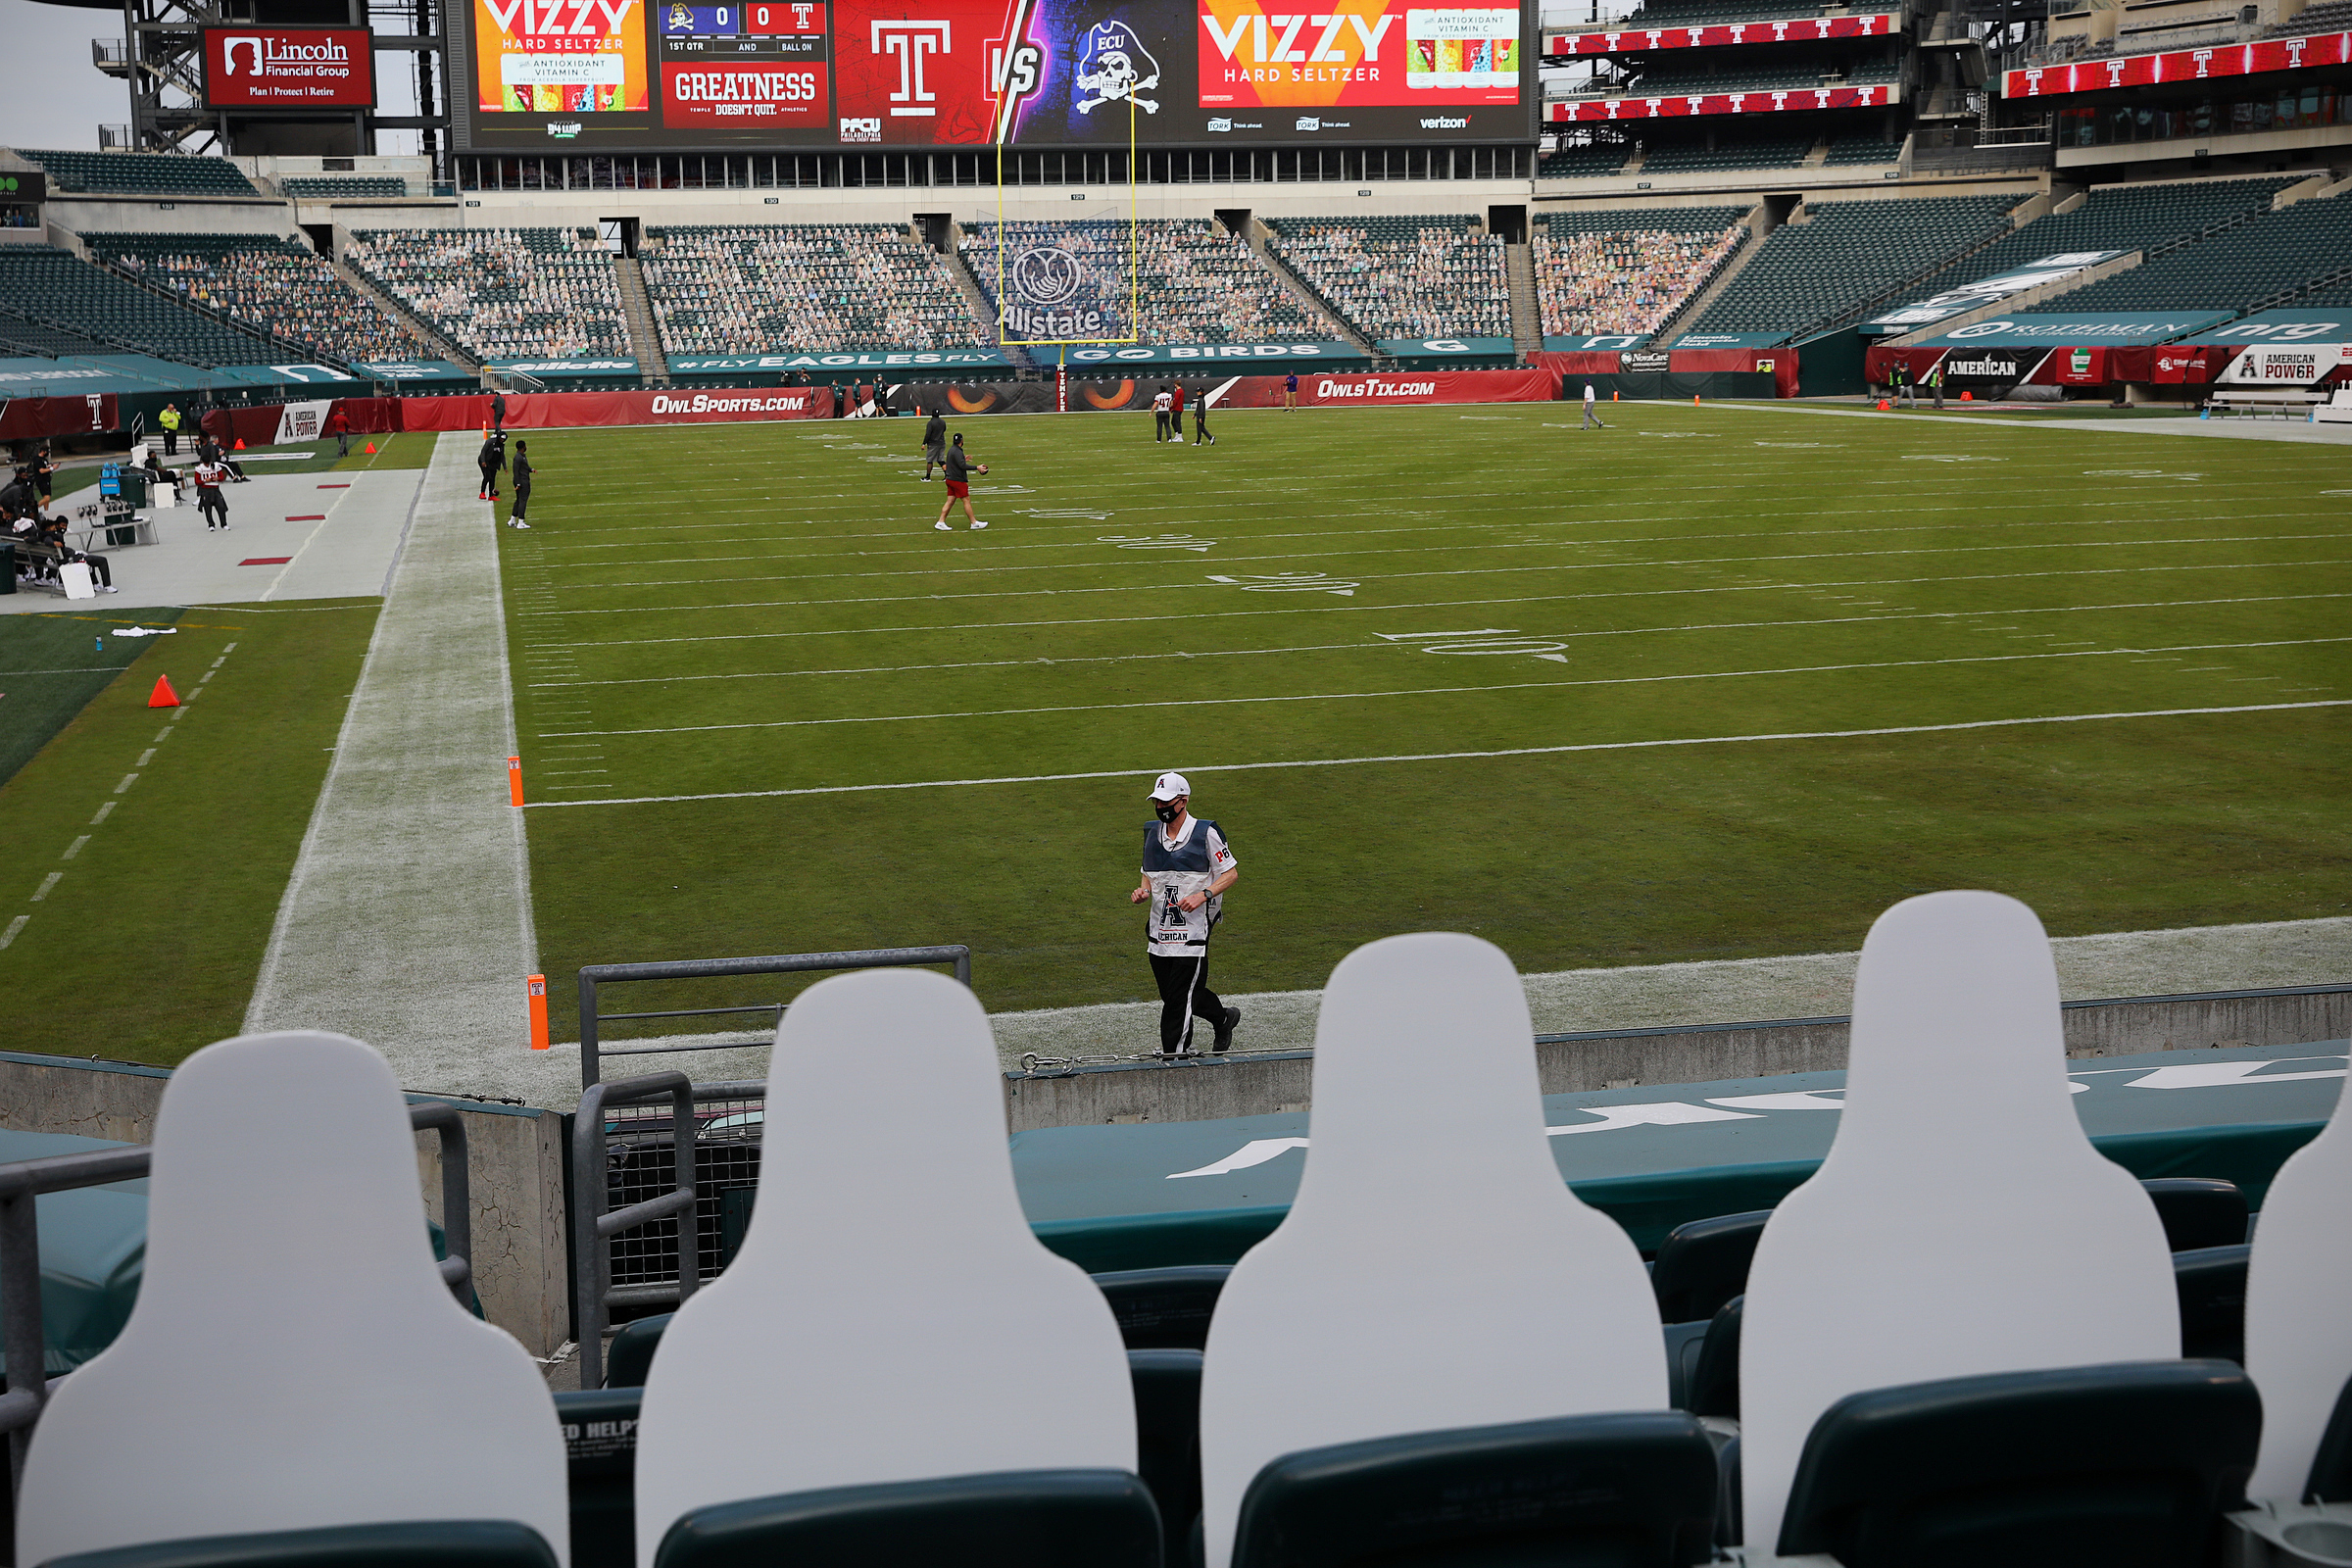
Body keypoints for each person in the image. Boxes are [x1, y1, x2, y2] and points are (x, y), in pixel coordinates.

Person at [1128, 771, 1241, 1057]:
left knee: (1178, 1000)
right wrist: (1142, 893)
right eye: (1157, 802)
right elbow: (1148, 876)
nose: (1161, 808)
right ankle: (1223, 1018)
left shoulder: (1206, 834)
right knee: (1177, 995)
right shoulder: (1151, 834)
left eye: (1167, 802)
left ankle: (1174, 1055)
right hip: (1159, 930)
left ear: (1183, 801)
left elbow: (1230, 874)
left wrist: (1204, 895)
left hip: (1193, 931)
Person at [932, 433, 989, 531]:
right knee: (966, 500)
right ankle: (974, 523)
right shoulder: (957, 451)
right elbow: (962, 466)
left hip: (950, 479)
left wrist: (963, 459)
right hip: (957, 480)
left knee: (950, 502)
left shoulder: (952, 450)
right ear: (961, 441)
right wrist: (977, 467)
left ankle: (940, 522)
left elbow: (955, 462)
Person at [193, 457, 230, 531]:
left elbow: (222, 477)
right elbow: (197, 481)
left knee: (220, 507)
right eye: (205, 464)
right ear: (202, 462)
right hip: (205, 490)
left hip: (215, 489)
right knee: (207, 508)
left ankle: (224, 524)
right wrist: (205, 480)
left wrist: (217, 478)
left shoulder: (216, 466)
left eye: (208, 463)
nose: (207, 465)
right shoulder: (199, 468)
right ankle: (211, 524)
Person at [508, 440, 534, 528]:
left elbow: (524, 467)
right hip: (522, 481)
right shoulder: (518, 457)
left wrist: (531, 470)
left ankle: (512, 520)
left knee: (519, 500)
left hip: (521, 480)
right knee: (523, 500)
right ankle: (521, 522)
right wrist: (518, 483)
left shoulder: (521, 456)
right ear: (523, 447)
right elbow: (516, 471)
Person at [477, 429, 506, 501]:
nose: (502, 440)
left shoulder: (501, 445)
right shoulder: (490, 442)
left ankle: (491, 495)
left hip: (493, 463)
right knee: (488, 476)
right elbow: (483, 451)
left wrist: (504, 467)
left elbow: (502, 456)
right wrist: (483, 461)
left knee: (492, 478)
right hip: (485, 461)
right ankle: (482, 493)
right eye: (501, 438)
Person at [920, 409, 948, 480]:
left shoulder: (931, 423)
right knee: (941, 460)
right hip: (942, 442)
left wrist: (924, 443)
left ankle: (928, 477)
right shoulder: (942, 422)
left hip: (933, 444)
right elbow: (944, 429)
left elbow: (928, 434)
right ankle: (947, 475)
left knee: (930, 460)